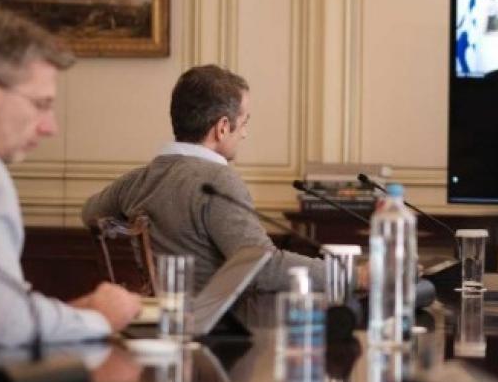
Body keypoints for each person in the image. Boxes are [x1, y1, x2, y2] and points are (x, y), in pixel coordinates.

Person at [0, 8, 141, 348]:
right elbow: (4, 325)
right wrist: (101, 317)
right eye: (41, 104)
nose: (50, 127)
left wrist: (68, 316)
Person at [82, 65, 324, 318]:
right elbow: (262, 268)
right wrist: (344, 274)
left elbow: (89, 214)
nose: (244, 133)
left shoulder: (136, 181)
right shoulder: (218, 181)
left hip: (164, 322)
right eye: (244, 123)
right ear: (222, 127)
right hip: (223, 328)